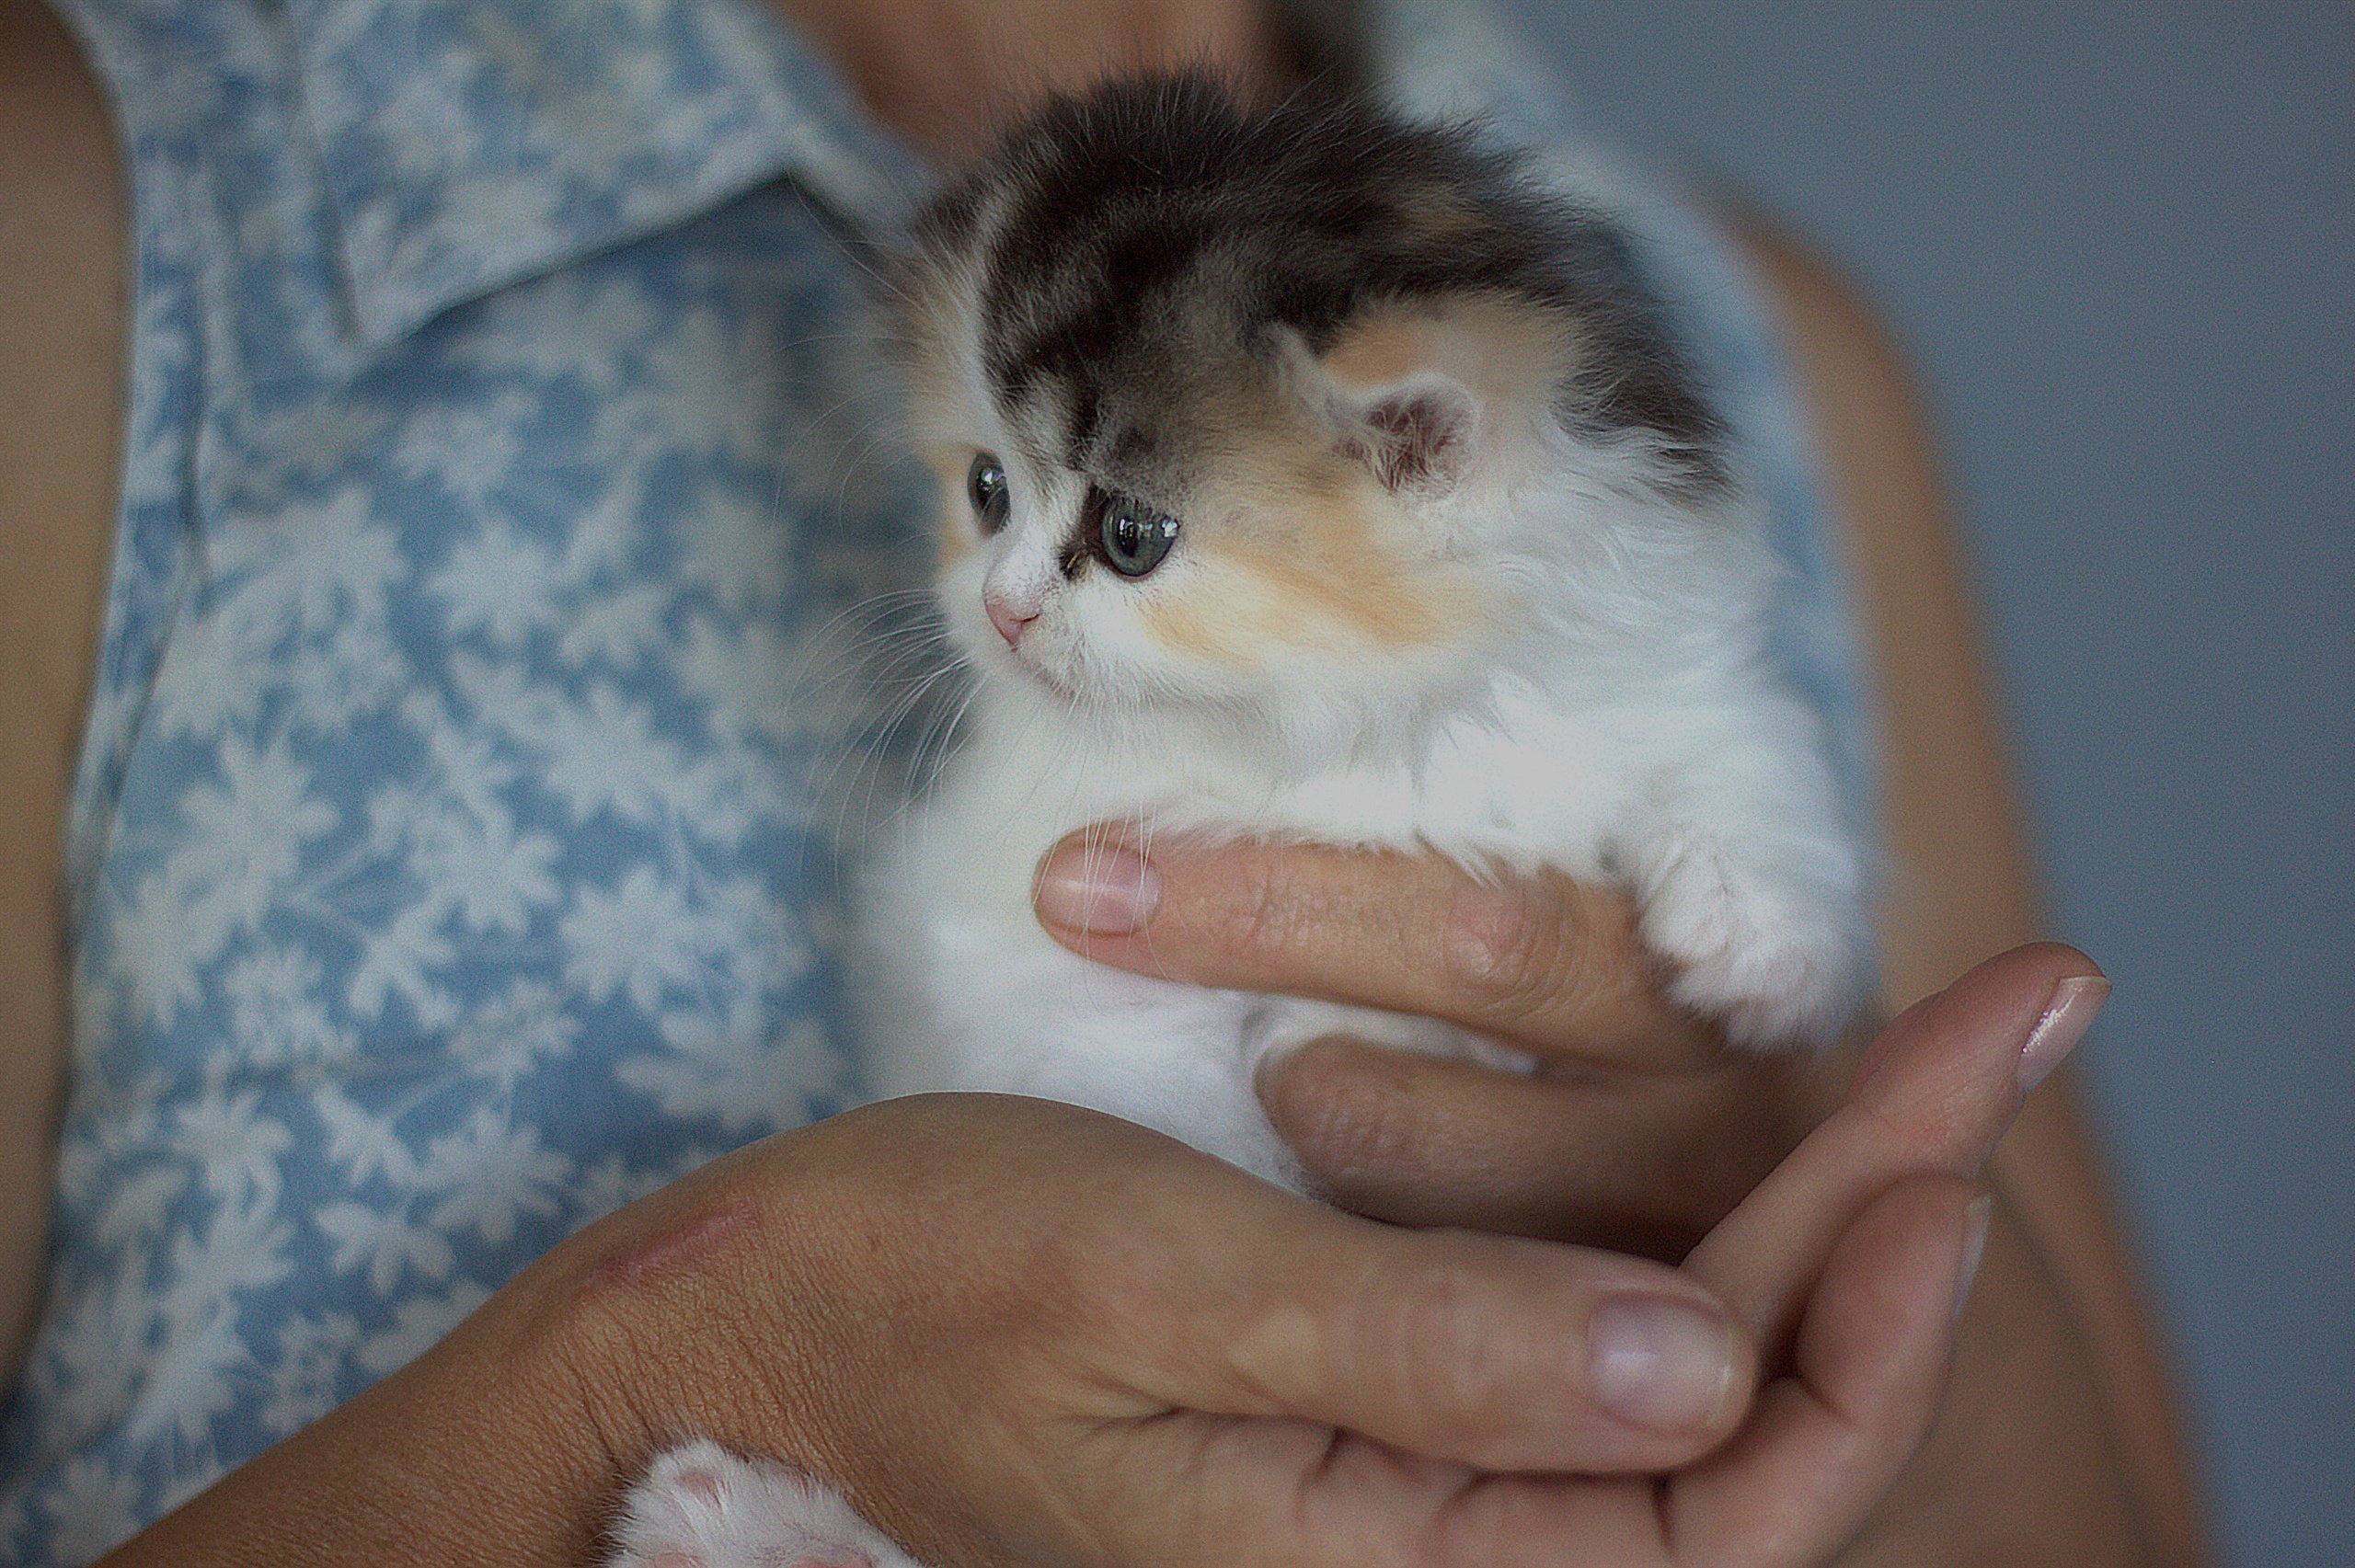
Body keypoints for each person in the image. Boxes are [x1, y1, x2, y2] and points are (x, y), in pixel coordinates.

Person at [0, 0, 2201, 1562]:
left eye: (1108, 535)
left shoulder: (1752, 349)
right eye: (976, 495)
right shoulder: (118, 176)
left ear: (1429, 454)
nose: (1009, 606)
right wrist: (710, 1367)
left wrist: (1888, 1378)